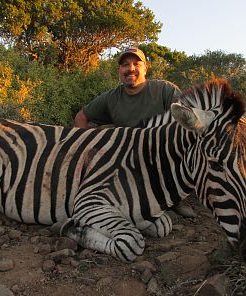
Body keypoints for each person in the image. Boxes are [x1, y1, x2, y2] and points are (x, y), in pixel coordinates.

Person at [74, 47, 196, 218]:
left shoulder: (164, 90)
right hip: (128, 162)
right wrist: (86, 146)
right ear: (119, 70)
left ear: (146, 68)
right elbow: (81, 117)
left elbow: (188, 117)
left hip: (163, 159)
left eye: (136, 64)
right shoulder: (111, 97)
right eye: (125, 65)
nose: (130, 69)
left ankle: (175, 198)